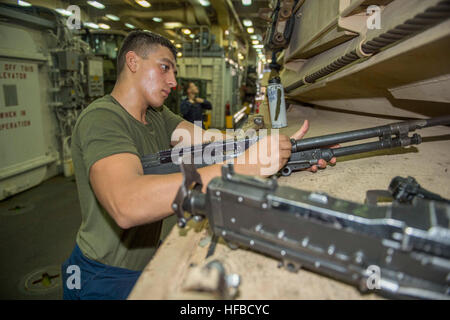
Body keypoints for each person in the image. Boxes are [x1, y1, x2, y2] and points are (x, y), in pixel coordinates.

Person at [61, 30, 335, 300]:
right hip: (102, 276)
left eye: (174, 73)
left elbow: (213, 143)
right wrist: (245, 166)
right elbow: (126, 204)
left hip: (143, 260)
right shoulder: (102, 119)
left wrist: (287, 149)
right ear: (132, 62)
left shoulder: (156, 115)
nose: (173, 82)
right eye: (164, 68)